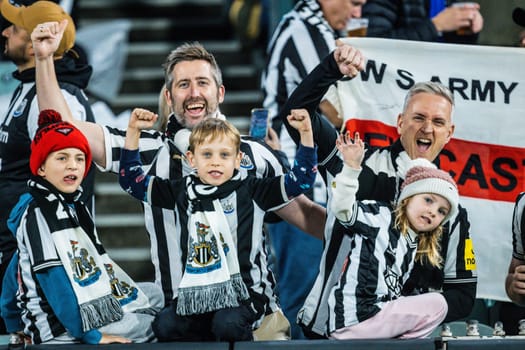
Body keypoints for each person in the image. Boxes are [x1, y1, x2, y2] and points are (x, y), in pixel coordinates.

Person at [31, 19, 326, 340]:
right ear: (169, 98)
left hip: (251, 318)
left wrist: (363, 235)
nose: (194, 92)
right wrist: (44, 60)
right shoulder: (147, 150)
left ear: (220, 93)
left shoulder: (253, 154)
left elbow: (306, 214)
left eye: (202, 82)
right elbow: (62, 131)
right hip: (183, 314)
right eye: (183, 85)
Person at [274, 42, 477, 337]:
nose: (427, 128)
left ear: (450, 133)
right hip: (332, 328)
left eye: (438, 122)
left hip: (407, 341)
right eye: (419, 118)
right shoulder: (358, 161)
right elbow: (297, 115)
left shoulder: (452, 210)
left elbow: (463, 296)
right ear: (400, 122)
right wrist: (331, 68)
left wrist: (401, 309)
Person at [118, 108, 317, 342]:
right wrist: (132, 133)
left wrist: (306, 135)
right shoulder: (181, 190)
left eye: (224, 155)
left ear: (238, 159)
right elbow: (132, 182)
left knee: (228, 325)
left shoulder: (254, 189)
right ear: (191, 159)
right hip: (198, 295)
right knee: (165, 325)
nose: (215, 162)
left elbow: (301, 180)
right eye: (207, 155)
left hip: (245, 295)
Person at [0, 109, 163, 345]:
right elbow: (54, 281)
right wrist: (92, 336)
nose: (73, 166)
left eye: (79, 158)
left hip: (82, 303)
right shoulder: (39, 214)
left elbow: (16, 267)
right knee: (155, 326)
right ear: (41, 168)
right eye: (62, 158)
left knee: (156, 296)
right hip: (61, 326)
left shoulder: (71, 204)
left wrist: (12, 321)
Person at [260, 0, 366, 338]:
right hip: (298, 178)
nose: (357, 14)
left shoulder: (318, 28)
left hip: (314, 176)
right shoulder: (304, 29)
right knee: (302, 292)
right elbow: (332, 108)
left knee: (317, 294)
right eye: (354, 3)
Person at [0, 0, 95, 334]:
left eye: (14, 26)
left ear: (36, 40)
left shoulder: (61, 97)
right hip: (16, 244)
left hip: (36, 251)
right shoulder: (27, 87)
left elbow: (64, 181)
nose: (5, 32)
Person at [327, 133, 458, 339]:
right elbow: (343, 209)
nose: (433, 211)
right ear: (408, 198)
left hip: (374, 319)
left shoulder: (413, 241)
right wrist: (351, 168)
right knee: (438, 304)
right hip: (358, 316)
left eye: (442, 211)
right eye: (428, 200)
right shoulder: (379, 216)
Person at [362, 0, 483, 44]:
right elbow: (372, 43)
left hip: (440, 78)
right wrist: (436, 26)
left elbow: (452, 46)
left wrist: (468, 27)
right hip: (400, 85)